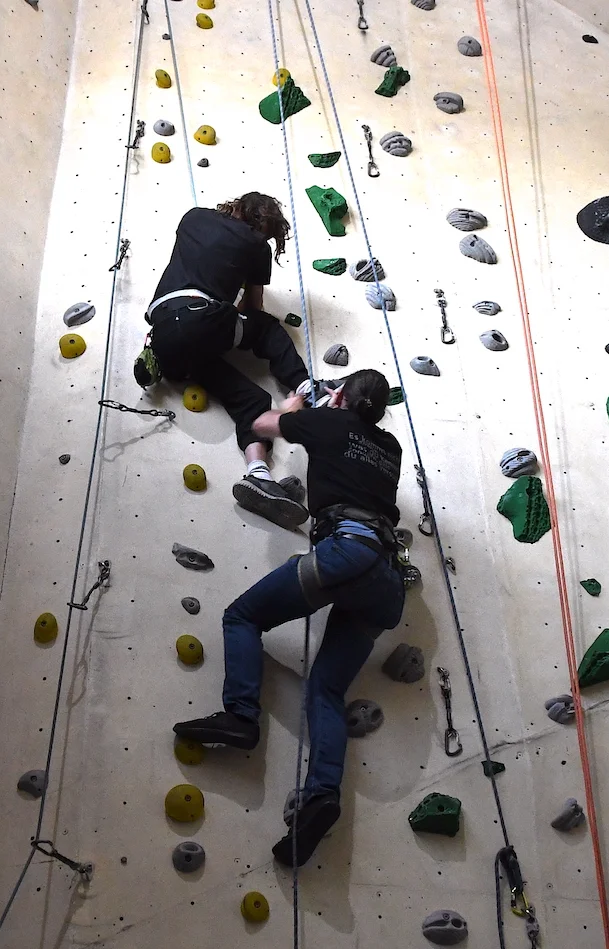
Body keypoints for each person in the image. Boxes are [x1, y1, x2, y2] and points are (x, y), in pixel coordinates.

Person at [173, 369, 407, 868]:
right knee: (325, 690)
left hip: (349, 551)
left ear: (340, 396)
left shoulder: (329, 422)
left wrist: (297, 402)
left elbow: (263, 425)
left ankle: (240, 716)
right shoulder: (392, 449)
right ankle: (322, 795)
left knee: (242, 617)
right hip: (386, 585)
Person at [135, 192, 313, 530]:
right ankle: (306, 386)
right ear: (265, 226)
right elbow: (255, 309)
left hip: (164, 338)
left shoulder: (193, 217)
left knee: (253, 400)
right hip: (199, 319)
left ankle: (258, 475)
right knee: (264, 329)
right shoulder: (256, 244)